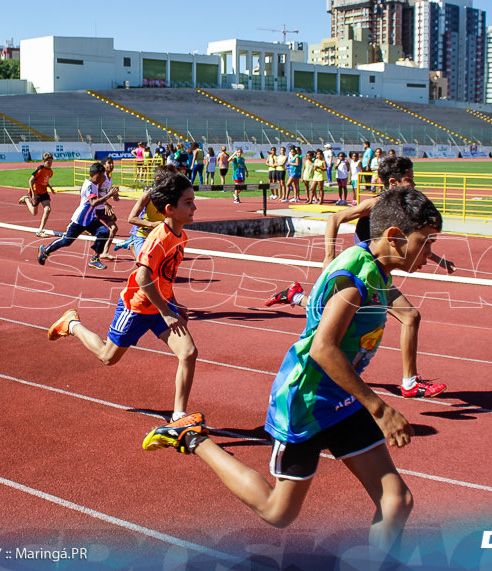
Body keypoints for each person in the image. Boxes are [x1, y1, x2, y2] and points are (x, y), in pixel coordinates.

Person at [143, 186, 445, 552]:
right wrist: (379, 407)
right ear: (395, 238)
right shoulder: (355, 281)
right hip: (306, 398)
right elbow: (323, 348)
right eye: (426, 242)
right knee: (278, 512)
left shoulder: (377, 268)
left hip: (342, 396)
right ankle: (192, 437)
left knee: (397, 501)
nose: (430, 254)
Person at [266, 156, 454, 399]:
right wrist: (329, 256)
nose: (414, 186)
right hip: (364, 272)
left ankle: (296, 295)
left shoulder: (402, 212)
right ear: (394, 182)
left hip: (378, 275)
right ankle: (409, 382)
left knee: (334, 311)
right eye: (410, 181)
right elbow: (335, 218)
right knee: (409, 316)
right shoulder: (375, 204)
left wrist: (439, 260)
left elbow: (414, 242)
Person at [48, 168, 198, 422]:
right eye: (189, 203)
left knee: (188, 353)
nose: (194, 208)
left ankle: (178, 417)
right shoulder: (158, 239)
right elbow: (142, 278)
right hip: (137, 307)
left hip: (160, 307)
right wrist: (166, 310)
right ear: (170, 209)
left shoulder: (180, 235)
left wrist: (173, 304)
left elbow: (164, 276)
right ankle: (72, 324)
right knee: (108, 357)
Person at [37, 161, 119, 271]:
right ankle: (45, 250)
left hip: (90, 219)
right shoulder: (89, 186)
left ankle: (94, 259)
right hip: (79, 220)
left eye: (103, 176)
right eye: (99, 177)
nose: (101, 179)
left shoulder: (95, 184)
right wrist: (109, 195)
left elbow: (98, 197)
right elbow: (93, 203)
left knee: (104, 232)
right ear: (92, 175)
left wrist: (108, 200)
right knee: (66, 241)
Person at [19, 152, 55, 237]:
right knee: (34, 213)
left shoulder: (50, 172)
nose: (50, 164)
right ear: (44, 161)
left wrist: (50, 188)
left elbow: (45, 181)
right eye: (48, 162)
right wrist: (33, 194)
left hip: (43, 192)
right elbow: (30, 181)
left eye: (51, 162)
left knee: (48, 209)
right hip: (35, 192)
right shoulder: (39, 169)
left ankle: (40, 230)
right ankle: (26, 199)